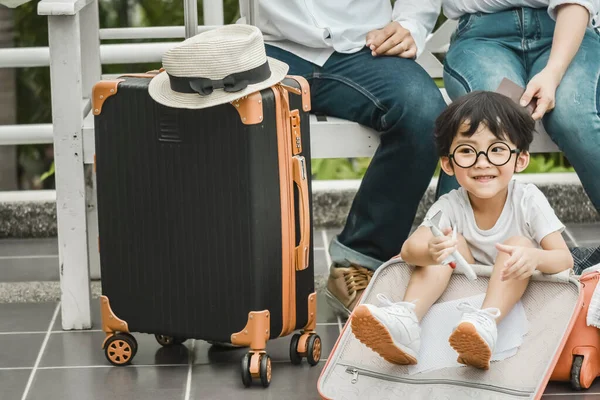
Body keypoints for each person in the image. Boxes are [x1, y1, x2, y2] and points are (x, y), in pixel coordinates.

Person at [238, 1, 447, 316]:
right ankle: (234, 284)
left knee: (423, 114)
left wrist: (411, 23)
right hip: (269, 47)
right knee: (221, 114)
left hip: (366, 47)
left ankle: (358, 261)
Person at [350, 91, 574, 370]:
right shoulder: (451, 205)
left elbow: (564, 259)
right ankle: (407, 321)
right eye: (467, 151)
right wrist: (432, 250)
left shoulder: (527, 199)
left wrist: (534, 258)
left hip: (515, 304)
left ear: (520, 160)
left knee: (520, 245)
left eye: (497, 150)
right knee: (445, 242)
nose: (482, 162)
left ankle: (486, 324)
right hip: (460, 306)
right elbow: (408, 251)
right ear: (448, 163)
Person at [380, 1, 599, 270]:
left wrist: (553, 73)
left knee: (572, 115)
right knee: (489, 118)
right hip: (483, 35)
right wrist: (408, 27)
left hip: (567, 29)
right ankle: (456, 257)